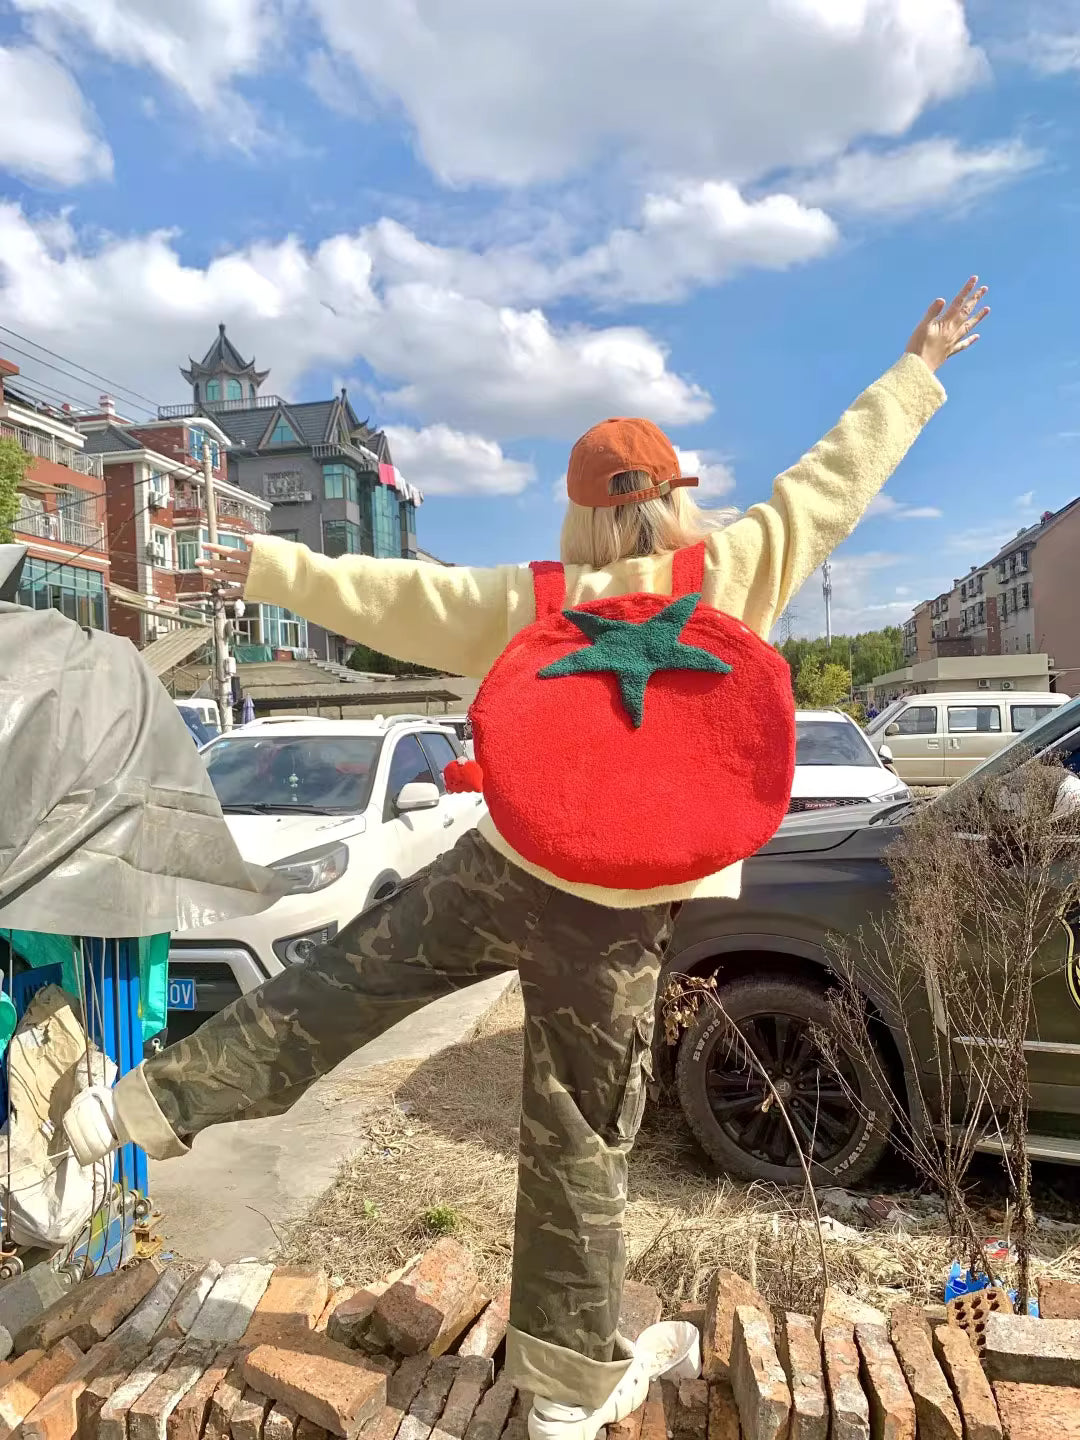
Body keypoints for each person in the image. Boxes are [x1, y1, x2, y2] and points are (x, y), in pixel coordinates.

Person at [64, 279, 988, 1440]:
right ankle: (562, 1389)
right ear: (674, 501)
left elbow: (393, 597)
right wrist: (918, 365)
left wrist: (266, 568)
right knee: (576, 1134)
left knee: (338, 989)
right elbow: (837, 479)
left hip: (505, 865)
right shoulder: (737, 568)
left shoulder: (532, 599)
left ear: (582, 513)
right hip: (613, 916)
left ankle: (136, 1111)